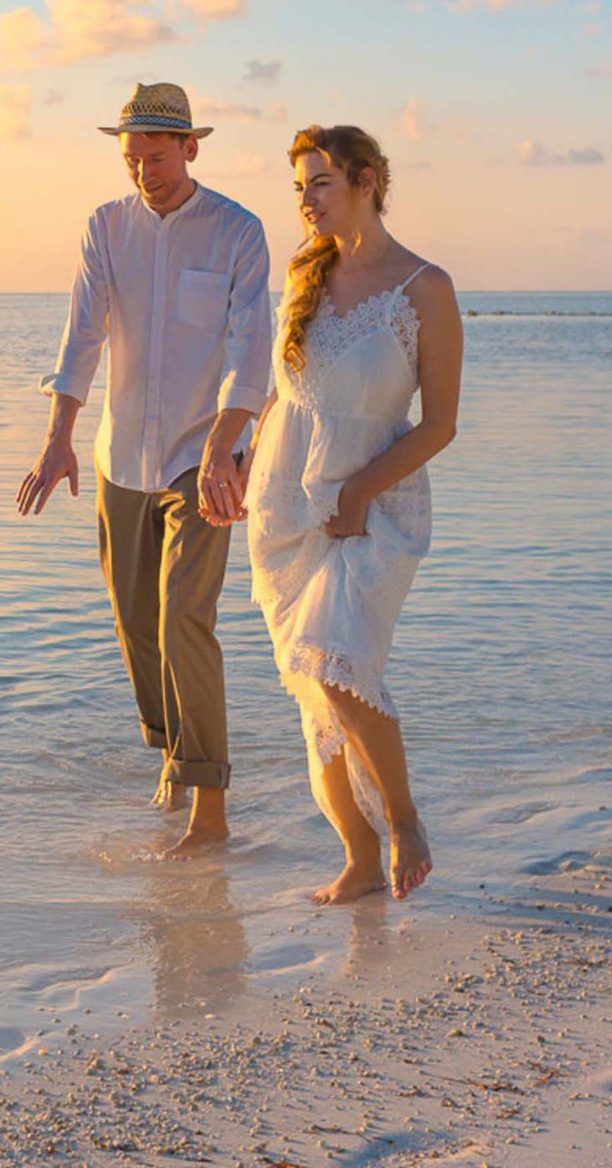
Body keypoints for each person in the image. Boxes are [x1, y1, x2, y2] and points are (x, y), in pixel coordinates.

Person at [16, 83, 273, 858]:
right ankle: (171, 752)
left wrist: (230, 441)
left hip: (203, 460)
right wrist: (59, 435)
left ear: (191, 147)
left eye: (156, 157)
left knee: (181, 619)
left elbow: (250, 348)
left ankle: (210, 808)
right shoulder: (107, 227)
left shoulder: (238, 232)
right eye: (132, 159)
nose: (144, 173)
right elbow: (82, 338)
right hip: (120, 457)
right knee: (136, 625)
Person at [212, 124, 462, 903]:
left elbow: (440, 424)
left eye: (319, 182)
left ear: (366, 181)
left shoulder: (424, 288)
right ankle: (356, 855)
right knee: (311, 685)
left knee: (339, 662)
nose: (306, 201)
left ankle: (406, 821)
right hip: (286, 503)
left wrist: (357, 493)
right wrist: (245, 463)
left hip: (374, 505)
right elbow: (292, 396)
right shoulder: (305, 274)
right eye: (299, 187)